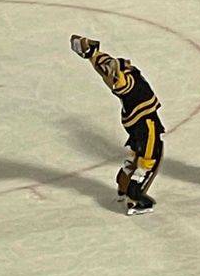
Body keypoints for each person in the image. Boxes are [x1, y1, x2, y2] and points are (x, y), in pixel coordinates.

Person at [70, 36, 164, 215]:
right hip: (146, 123)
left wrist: (91, 52)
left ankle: (123, 187)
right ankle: (134, 197)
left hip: (136, 123)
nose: (127, 63)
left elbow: (104, 63)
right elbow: (117, 78)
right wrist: (115, 71)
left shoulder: (120, 74)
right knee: (148, 159)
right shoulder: (125, 83)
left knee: (135, 156)